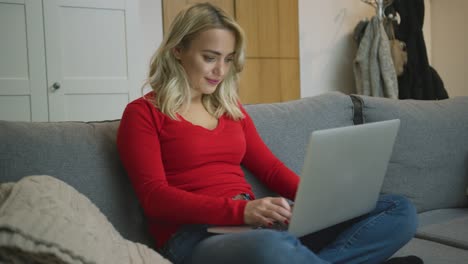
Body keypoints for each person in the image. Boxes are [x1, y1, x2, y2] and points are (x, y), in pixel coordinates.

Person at [117, 3, 420, 264]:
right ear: (178, 51)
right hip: (194, 236)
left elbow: (271, 169)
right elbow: (155, 198)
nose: (220, 71)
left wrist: (322, 203)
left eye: (228, 58)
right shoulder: (143, 113)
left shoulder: (230, 108)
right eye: (210, 57)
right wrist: (242, 211)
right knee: (273, 249)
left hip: (258, 224)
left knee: (399, 210)